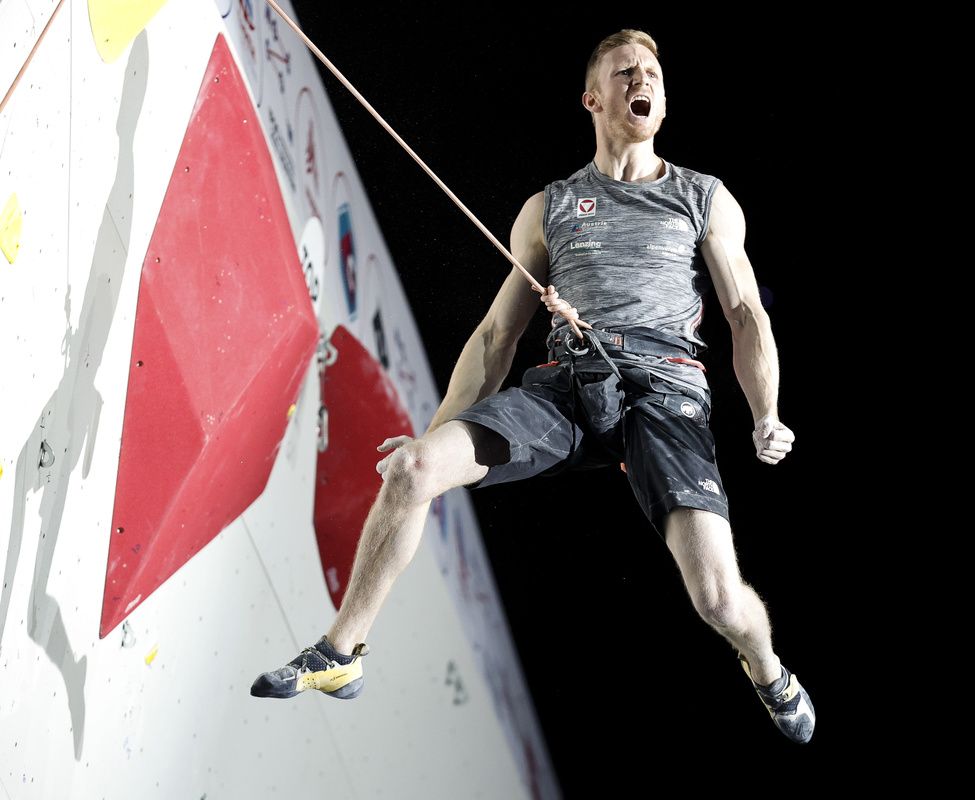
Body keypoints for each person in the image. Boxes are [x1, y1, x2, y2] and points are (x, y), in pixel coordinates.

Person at [251, 29, 814, 745]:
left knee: (718, 600)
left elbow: (744, 312)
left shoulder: (703, 197)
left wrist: (766, 411)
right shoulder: (547, 208)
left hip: (665, 395)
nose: (644, 80)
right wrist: (432, 429)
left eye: (654, 74)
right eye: (625, 72)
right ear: (594, 98)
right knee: (413, 469)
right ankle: (340, 652)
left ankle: (767, 669)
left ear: (662, 102)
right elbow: (496, 338)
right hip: (569, 385)